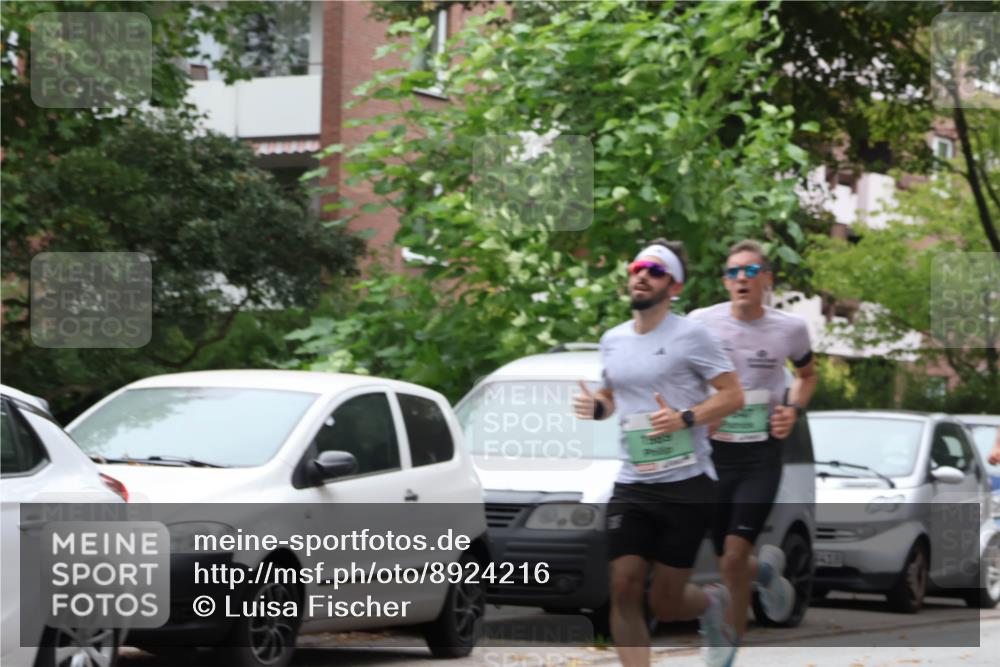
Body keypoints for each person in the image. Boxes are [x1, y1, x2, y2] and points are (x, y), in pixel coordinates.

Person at [573, 239, 745, 667]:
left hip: (687, 481)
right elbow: (613, 395)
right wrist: (597, 406)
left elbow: (733, 396)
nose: (641, 275)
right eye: (636, 268)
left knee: (666, 604)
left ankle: (710, 602)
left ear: (674, 286)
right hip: (633, 482)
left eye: (654, 269)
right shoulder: (612, 340)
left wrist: (686, 417)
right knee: (624, 585)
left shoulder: (692, 335)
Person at [688, 239, 819, 646]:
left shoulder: (790, 329)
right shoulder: (701, 323)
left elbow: (808, 374)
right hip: (713, 455)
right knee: (729, 557)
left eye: (749, 272)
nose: (740, 279)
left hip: (761, 455)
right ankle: (763, 573)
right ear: (725, 282)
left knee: (731, 557)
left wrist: (792, 410)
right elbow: (686, 377)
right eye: (733, 273)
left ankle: (727, 643)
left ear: (766, 279)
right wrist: (700, 413)